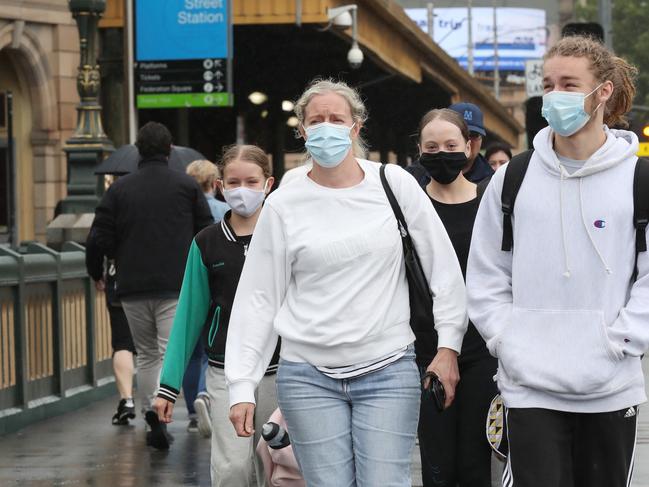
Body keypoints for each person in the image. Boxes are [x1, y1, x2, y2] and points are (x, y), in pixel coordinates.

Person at [225, 79, 468, 487]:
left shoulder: (394, 184)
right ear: (301, 131)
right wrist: (242, 385)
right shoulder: (284, 202)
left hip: (388, 368)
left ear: (355, 126)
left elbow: (442, 268)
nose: (326, 127)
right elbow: (259, 298)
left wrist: (448, 347)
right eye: (315, 120)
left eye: (336, 118)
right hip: (306, 375)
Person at [467, 36, 648, 487]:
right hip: (528, 385)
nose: (555, 95)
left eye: (569, 84)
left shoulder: (638, 177)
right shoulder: (513, 178)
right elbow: (487, 271)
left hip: (610, 385)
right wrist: (507, 339)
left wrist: (621, 342)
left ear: (603, 91)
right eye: (549, 84)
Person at [153, 144, 279, 487]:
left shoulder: (285, 236)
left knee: (277, 469)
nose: (243, 190)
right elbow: (188, 317)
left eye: (251, 181)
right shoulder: (207, 243)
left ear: (269, 183)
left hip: (282, 370)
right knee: (232, 470)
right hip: (225, 369)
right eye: (234, 181)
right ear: (220, 185)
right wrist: (167, 387)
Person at [93, 121, 213, 450]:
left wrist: (97, 273)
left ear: (138, 152)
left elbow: (98, 237)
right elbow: (205, 231)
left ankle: (151, 412)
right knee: (168, 350)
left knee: (145, 355)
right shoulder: (186, 187)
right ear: (170, 149)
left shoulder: (118, 190)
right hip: (176, 284)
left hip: (131, 286)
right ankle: (165, 413)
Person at [414, 108, 498, 487]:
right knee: (437, 465)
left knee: (476, 463)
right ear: (419, 150)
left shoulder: (492, 203)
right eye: (431, 146)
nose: (441, 153)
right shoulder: (410, 208)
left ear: (469, 147)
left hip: (484, 350)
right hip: (424, 351)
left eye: (451, 145)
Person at [182, 159, 230, 436]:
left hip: (194, 282)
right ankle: (205, 394)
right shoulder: (225, 210)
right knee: (212, 349)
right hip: (222, 285)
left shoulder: (182, 212)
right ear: (215, 183)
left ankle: (191, 412)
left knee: (194, 353)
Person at [85, 222, 137, 426]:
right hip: (162, 283)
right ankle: (157, 404)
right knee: (156, 346)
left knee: (123, 344)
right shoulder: (169, 194)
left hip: (121, 280)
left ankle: (127, 400)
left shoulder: (115, 201)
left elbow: (95, 240)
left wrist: (97, 273)